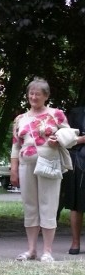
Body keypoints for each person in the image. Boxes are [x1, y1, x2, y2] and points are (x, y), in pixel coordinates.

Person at [10, 78, 69, 262]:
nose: (33, 97)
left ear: (46, 96)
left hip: (49, 163)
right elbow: (15, 146)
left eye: (38, 93)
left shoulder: (56, 114)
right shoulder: (20, 118)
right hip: (26, 164)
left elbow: (68, 135)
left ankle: (48, 251)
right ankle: (31, 250)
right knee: (30, 206)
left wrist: (56, 139)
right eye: (31, 93)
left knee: (48, 204)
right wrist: (13, 168)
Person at [61, 106, 85, 254]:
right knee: (76, 204)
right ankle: (75, 243)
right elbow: (66, 140)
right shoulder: (76, 113)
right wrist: (82, 139)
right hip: (79, 162)